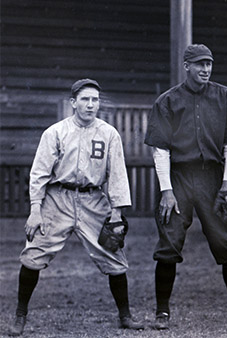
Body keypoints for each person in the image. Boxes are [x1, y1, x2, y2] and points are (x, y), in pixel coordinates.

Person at [8, 79, 143, 336]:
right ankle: (20, 315)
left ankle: (125, 316)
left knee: (114, 256)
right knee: (34, 254)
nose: (91, 105)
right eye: (85, 99)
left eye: (95, 100)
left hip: (93, 199)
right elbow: (39, 174)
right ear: (73, 103)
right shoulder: (56, 132)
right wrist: (35, 209)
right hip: (58, 198)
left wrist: (116, 212)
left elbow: (117, 174)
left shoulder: (109, 133)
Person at [144, 44, 227, 329]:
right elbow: (160, 149)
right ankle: (162, 312)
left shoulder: (226, 97)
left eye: (209, 64)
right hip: (179, 178)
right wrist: (166, 191)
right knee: (169, 242)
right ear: (186, 66)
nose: (205, 69)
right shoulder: (168, 101)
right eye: (199, 64)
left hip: (214, 178)